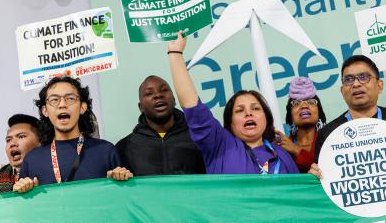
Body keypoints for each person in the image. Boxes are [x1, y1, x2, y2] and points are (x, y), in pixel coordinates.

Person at [168, 32, 299, 174]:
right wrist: (175, 53)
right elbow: (193, 108)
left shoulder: (282, 155)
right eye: (239, 110)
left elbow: (300, 193)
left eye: (255, 108)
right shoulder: (220, 144)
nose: (248, 113)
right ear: (230, 122)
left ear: (266, 118)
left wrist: (314, 178)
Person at [14, 76, 132, 193]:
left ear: (82, 107)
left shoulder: (106, 151)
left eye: (70, 98)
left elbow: (123, 198)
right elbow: (25, 207)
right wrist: (21, 191)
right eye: (54, 100)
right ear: (44, 110)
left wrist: (123, 180)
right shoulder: (32, 159)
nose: (62, 105)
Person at [310, 55, 384, 178]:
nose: (355, 84)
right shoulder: (327, 134)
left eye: (363, 77)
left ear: (379, 85)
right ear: (342, 91)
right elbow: (327, 180)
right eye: (348, 79)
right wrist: (316, 177)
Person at [115, 75, 206, 176]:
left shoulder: (199, 136)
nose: (158, 95)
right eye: (149, 93)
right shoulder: (124, 148)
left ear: (174, 100)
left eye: (164, 90)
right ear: (141, 107)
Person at [276, 77, 326, 173]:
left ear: (319, 111)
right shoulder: (282, 147)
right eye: (296, 103)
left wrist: (296, 150)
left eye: (311, 102)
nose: (304, 106)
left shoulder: (330, 141)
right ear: (290, 114)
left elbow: (326, 170)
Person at [0, 114, 40, 195]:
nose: (12, 143)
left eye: (21, 137)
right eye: (8, 140)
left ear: (41, 142)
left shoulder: (53, 170)